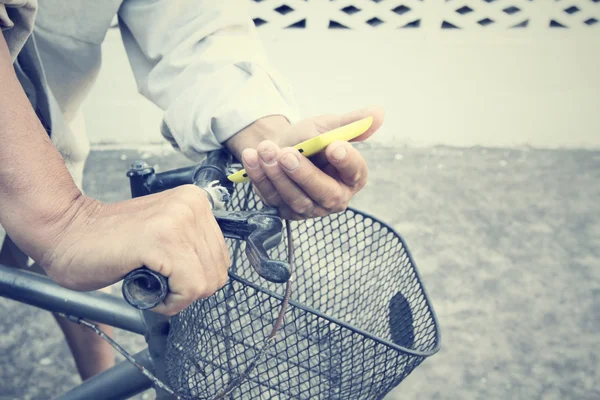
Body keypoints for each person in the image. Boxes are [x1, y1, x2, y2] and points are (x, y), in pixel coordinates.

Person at [0, 0, 384, 382]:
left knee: (71, 274)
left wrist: (264, 141)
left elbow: (186, 15)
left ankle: (99, 374)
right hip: (28, 180)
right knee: (67, 254)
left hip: (45, 149)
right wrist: (61, 218)